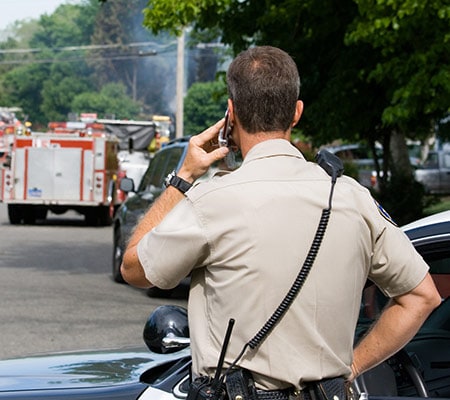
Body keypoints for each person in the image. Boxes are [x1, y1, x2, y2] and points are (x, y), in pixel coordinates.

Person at [121, 46, 441, 398]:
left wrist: (183, 177)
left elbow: (135, 269)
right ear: (296, 112)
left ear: (231, 113)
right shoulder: (351, 197)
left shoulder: (210, 201)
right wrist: (351, 369)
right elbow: (421, 296)